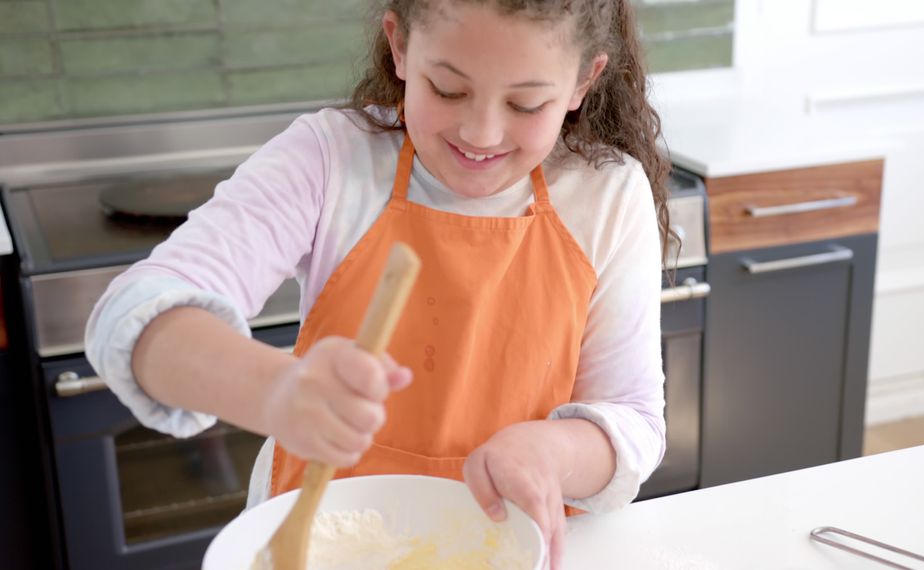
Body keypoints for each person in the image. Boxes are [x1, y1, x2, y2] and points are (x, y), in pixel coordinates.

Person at [85, 0, 672, 566]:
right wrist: (274, 391)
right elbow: (133, 315)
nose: (483, 132)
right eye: (449, 89)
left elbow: (633, 418)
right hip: (319, 547)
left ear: (581, 82)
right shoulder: (328, 159)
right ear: (399, 45)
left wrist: (554, 452)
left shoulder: (607, 195)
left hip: (511, 550)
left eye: (526, 104)